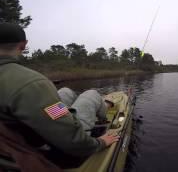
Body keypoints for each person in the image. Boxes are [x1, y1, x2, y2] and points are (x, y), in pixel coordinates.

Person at [0, 23, 119, 168]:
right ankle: (103, 115)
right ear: (24, 45)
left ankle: (70, 113)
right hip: (50, 152)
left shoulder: (29, 83)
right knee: (90, 95)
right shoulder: (31, 82)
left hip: (21, 140)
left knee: (65, 92)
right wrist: (101, 142)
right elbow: (71, 140)